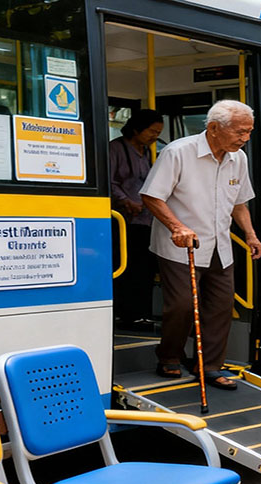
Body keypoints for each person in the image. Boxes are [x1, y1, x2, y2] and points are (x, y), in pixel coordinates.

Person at [140, 100, 261, 389]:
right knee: (182, 305)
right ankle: (169, 356)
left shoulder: (238, 158)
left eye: (249, 132)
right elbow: (151, 195)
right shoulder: (178, 152)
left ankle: (209, 366)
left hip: (221, 245)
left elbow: (239, 203)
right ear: (214, 128)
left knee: (221, 307)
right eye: (240, 132)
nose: (245, 138)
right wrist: (177, 226)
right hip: (181, 246)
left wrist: (250, 234)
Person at [110, 109, 164, 330]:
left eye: (158, 133)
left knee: (145, 268)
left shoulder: (148, 152)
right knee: (128, 268)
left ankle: (142, 313)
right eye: (152, 132)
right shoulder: (116, 149)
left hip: (146, 219)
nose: (154, 137)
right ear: (136, 129)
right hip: (123, 221)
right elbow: (109, 181)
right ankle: (127, 314)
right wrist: (125, 201)